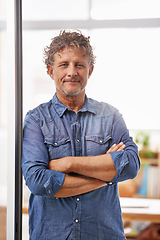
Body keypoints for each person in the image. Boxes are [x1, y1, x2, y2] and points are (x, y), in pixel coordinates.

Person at [22, 30, 140, 240]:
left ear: (90, 70)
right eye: (63, 64)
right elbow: (39, 181)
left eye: (79, 64)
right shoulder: (36, 120)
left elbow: (130, 165)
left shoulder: (110, 116)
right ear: (50, 71)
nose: (72, 72)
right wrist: (107, 177)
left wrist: (67, 164)